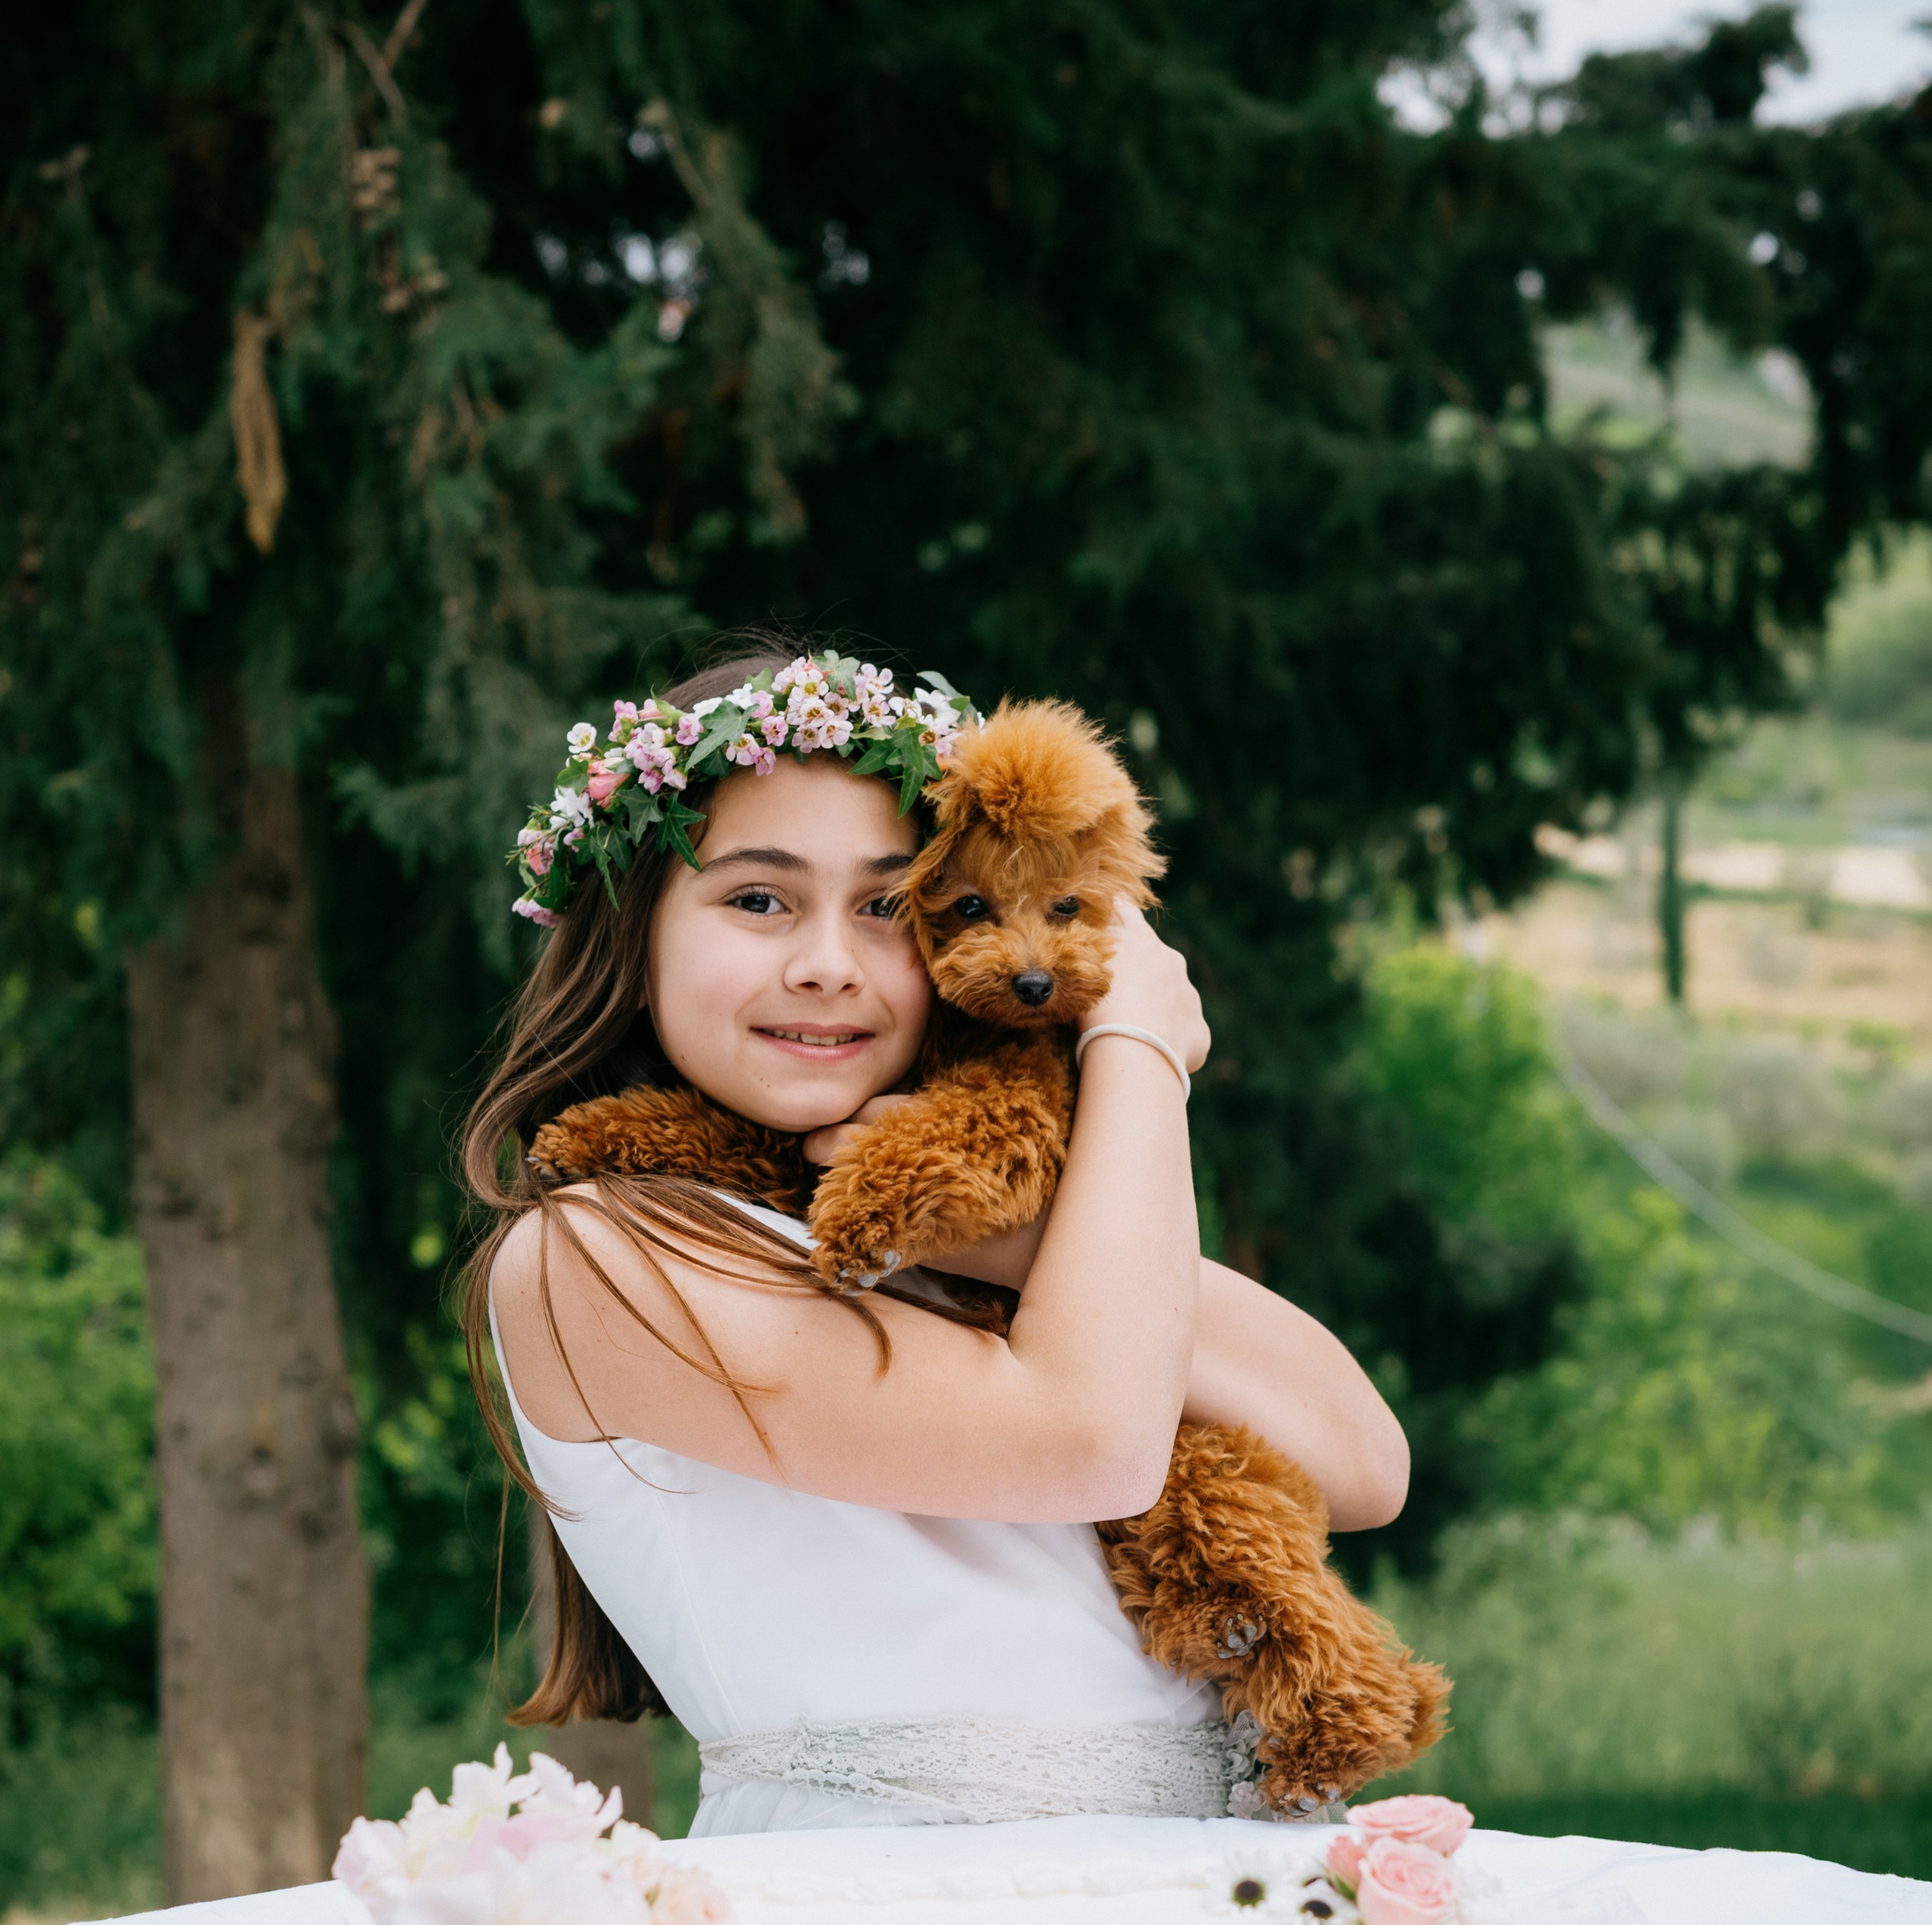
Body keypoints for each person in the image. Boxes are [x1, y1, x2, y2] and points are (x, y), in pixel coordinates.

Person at [465, 649, 1410, 1835]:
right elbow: (1094, 1440)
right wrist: (1140, 1050)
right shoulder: (597, 1256)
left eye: (886, 906)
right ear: (633, 939)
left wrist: (998, 1231)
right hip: (887, 1913)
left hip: (1208, 1891)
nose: (827, 965)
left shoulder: (971, 1231)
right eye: (757, 899)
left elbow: (1365, 1462)